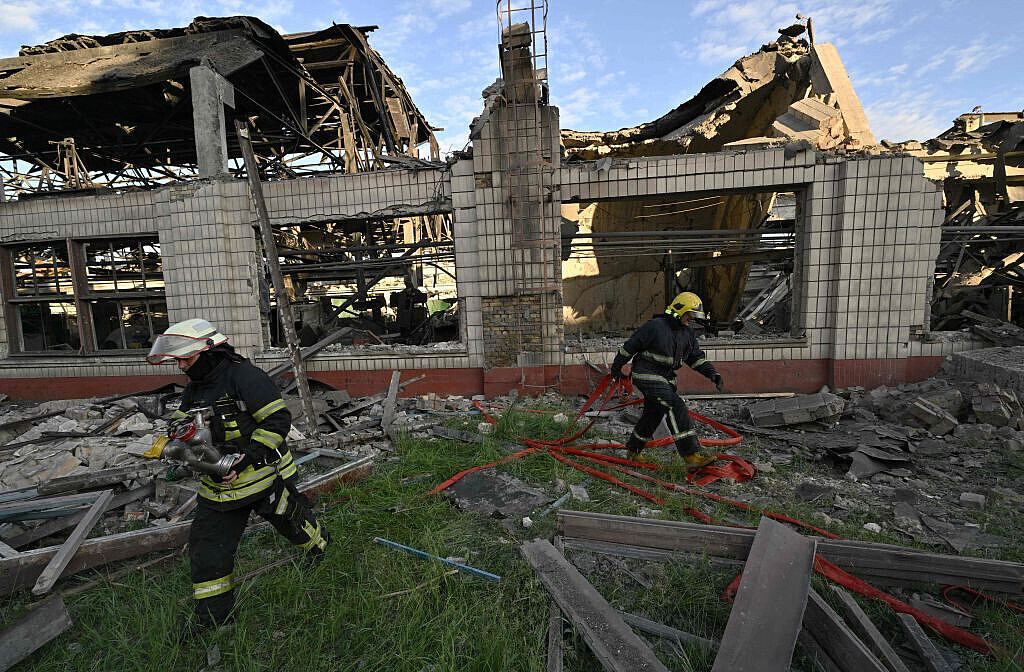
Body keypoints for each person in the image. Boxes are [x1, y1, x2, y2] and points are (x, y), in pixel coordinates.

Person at [147, 318, 329, 629]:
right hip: (218, 487)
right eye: (178, 360)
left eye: (186, 359)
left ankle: (321, 549)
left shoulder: (246, 377)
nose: (181, 366)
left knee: (291, 520)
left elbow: (277, 422)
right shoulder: (197, 386)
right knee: (207, 550)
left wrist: (244, 460)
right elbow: (181, 419)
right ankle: (213, 618)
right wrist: (178, 434)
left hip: (263, 476)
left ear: (209, 352)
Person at [610, 292, 725, 470]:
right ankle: (691, 456)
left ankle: (633, 451)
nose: (690, 320)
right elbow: (629, 347)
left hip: (665, 379)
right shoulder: (655, 326)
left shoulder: (687, 334)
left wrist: (712, 374)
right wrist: (617, 368)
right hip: (646, 374)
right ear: (679, 311)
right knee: (674, 405)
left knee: (653, 413)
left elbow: (696, 358)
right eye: (689, 315)